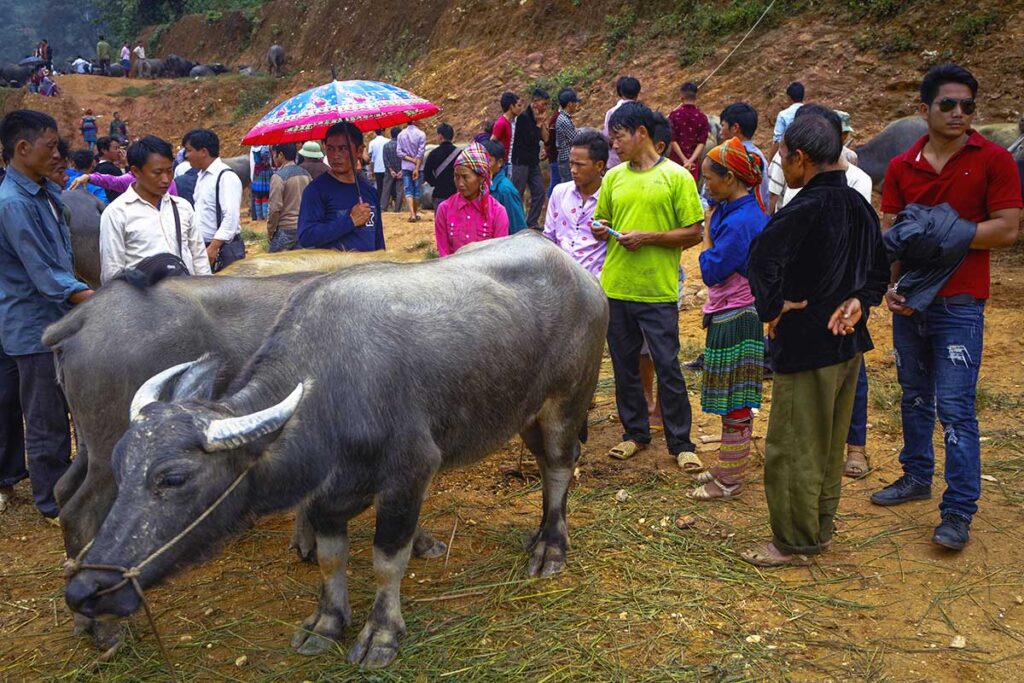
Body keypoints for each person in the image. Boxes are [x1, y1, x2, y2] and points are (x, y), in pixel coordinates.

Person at [871, 64, 1022, 550]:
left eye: (968, 106)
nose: (959, 113)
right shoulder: (901, 167)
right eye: (948, 105)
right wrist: (893, 288)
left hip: (960, 302)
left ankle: (958, 510)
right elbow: (896, 236)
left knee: (956, 407)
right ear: (924, 109)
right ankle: (916, 477)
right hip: (912, 300)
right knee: (913, 394)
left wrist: (951, 234)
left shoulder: (993, 160)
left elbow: (1007, 229)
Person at [742, 114, 888, 567]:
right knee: (827, 447)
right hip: (847, 349)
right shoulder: (860, 206)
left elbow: (761, 259)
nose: (781, 165)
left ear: (800, 159)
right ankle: (818, 529)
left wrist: (775, 306)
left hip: (806, 348)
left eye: (783, 158)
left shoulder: (803, 208)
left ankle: (792, 542)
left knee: (793, 447)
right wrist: (860, 301)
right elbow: (880, 270)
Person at [591, 102, 704, 466]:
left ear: (642, 133)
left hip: (657, 291)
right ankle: (635, 433)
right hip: (617, 287)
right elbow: (602, 220)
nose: (615, 146)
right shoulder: (613, 177)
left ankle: (681, 444)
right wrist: (599, 227)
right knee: (624, 367)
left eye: (619, 137)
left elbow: (694, 232)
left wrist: (648, 237)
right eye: (612, 140)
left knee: (668, 366)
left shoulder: (676, 177)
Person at [0, 110, 94, 522]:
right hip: (35, 327)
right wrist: (98, 300)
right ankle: (51, 501)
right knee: (45, 418)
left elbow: (63, 260)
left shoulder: (45, 193)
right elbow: (47, 276)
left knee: (67, 409)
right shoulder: (14, 203)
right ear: (23, 149)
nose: (58, 155)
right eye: (50, 146)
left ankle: (71, 485)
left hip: (59, 321)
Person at [688, 137, 768, 501]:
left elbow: (712, 270)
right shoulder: (733, 210)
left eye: (709, 178)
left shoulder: (740, 223)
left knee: (735, 396)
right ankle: (728, 465)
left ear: (732, 178)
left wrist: (705, 237)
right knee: (732, 395)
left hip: (738, 315)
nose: (706, 185)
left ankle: (730, 480)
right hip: (729, 311)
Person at [99, 135, 211, 283]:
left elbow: (199, 258)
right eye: (157, 173)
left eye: (169, 171)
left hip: (187, 299)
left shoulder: (182, 207)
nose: (166, 179)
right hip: (144, 304)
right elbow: (112, 274)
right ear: (136, 171)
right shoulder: (116, 213)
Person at [298, 121, 384, 252]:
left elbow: (378, 240)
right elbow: (306, 236)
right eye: (330, 149)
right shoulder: (316, 190)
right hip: (334, 272)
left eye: (343, 149)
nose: (335, 156)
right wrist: (350, 221)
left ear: (360, 151)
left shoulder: (369, 191)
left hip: (369, 270)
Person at [543, 129, 608, 278]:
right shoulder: (560, 193)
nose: (573, 170)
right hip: (560, 282)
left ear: (599, 166)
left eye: (580, 165)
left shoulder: (612, 198)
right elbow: (548, 238)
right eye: (571, 163)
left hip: (597, 285)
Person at [182, 128, 244, 271]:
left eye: (189, 150)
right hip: (206, 247)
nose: (186, 155)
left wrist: (213, 247)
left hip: (221, 249)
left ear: (203, 151)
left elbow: (231, 218)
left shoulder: (226, 177)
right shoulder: (202, 176)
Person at [434, 142, 509, 257]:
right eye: (456, 176)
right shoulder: (444, 209)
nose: (460, 183)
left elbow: (498, 257)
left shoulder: (498, 212)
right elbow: (443, 253)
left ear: (481, 178)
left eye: (465, 177)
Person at [511, 89, 550, 230]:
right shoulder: (523, 118)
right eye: (543, 104)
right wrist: (538, 125)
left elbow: (546, 139)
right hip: (521, 161)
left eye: (546, 104)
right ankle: (516, 224)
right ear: (535, 102)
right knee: (517, 193)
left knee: (539, 191)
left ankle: (531, 222)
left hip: (533, 162)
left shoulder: (538, 118)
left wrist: (542, 124)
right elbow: (529, 140)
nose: (545, 107)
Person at [719, 102, 770, 207]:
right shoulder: (759, 156)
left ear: (735, 128)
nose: (720, 132)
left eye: (723, 126)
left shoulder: (728, 157)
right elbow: (764, 196)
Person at [267, 142, 311, 252]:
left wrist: (270, 230)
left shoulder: (278, 177)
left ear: (280, 155)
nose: (273, 158)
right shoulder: (306, 174)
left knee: (273, 265)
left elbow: (274, 209)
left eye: (274, 154)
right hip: (304, 227)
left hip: (285, 229)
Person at [483, 140, 528, 234]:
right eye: (480, 160)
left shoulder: (505, 190)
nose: (482, 165)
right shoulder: (482, 186)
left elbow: (518, 229)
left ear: (499, 162)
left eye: (488, 161)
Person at [668, 82, 709, 181]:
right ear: (695, 97)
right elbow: (701, 143)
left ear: (681, 97)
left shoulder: (674, 115)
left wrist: (683, 160)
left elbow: (673, 140)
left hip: (675, 162)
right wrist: (690, 161)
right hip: (692, 164)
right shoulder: (702, 117)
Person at [603, 76, 641, 169]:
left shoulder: (611, 112)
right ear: (638, 92)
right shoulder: (642, 111)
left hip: (616, 162)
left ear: (621, 92)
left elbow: (607, 138)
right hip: (638, 160)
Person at [397, 121, 426, 222]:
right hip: (419, 167)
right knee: (417, 191)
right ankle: (416, 212)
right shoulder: (421, 134)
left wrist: (410, 159)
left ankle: (412, 214)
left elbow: (399, 152)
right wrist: (416, 167)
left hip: (406, 166)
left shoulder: (400, 135)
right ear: (415, 121)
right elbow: (421, 153)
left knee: (408, 190)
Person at [424, 123, 459, 206]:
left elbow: (427, 173)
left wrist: (435, 183)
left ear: (440, 136)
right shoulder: (459, 153)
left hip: (439, 193)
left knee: (440, 218)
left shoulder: (433, 153)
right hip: (455, 194)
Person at [770, 81, 804, 160]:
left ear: (789, 97)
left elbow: (777, 141)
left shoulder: (783, 115)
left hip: (789, 156)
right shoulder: (810, 111)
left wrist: (770, 160)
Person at [491, 91, 523, 173]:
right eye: (518, 106)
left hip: (511, 162)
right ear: (511, 106)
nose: (520, 108)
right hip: (504, 164)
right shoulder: (501, 123)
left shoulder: (512, 122)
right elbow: (492, 142)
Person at [554, 89, 580, 186]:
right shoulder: (564, 120)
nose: (576, 105)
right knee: (569, 186)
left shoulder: (564, 118)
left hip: (565, 159)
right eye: (575, 103)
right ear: (569, 104)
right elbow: (575, 139)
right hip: (566, 160)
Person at [381, 127, 405, 212]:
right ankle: (397, 209)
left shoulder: (386, 146)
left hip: (389, 171)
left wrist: (391, 170)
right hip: (400, 171)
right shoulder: (403, 146)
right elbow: (405, 158)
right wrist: (402, 170)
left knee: (386, 189)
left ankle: (383, 207)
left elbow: (385, 159)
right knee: (399, 191)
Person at [93, 136, 123, 201]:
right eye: (116, 148)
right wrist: (126, 165)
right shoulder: (111, 169)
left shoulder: (97, 168)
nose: (119, 151)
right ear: (104, 150)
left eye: (119, 148)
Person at [250, 146, 272, 221]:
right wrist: (267, 161)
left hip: (256, 173)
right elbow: (266, 158)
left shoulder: (253, 147)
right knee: (265, 195)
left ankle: (259, 217)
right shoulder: (264, 147)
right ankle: (266, 217)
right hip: (264, 173)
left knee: (258, 196)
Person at [367, 128, 389, 198]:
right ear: (383, 131)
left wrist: (371, 170)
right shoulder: (388, 141)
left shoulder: (372, 143)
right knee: (388, 186)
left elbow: (370, 158)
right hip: (387, 168)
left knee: (379, 187)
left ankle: (380, 203)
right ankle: (390, 202)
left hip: (377, 168)